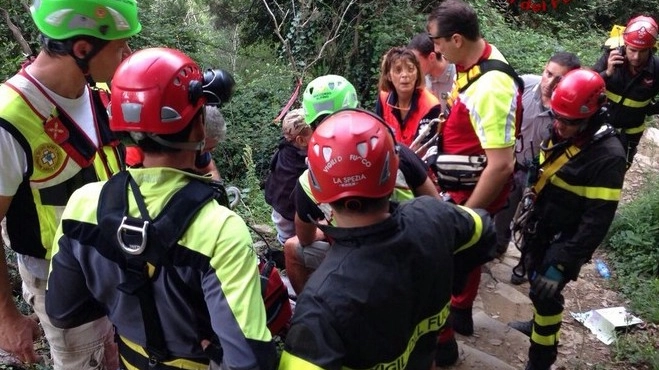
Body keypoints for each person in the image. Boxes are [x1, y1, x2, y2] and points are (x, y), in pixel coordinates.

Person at [46, 47, 277, 370]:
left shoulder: (83, 204)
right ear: (199, 128)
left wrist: (128, 308)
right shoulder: (221, 230)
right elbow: (248, 361)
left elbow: (63, 310)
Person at [278, 108, 496, 370]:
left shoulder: (319, 305)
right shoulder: (434, 216)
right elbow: (484, 229)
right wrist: (447, 268)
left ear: (317, 187)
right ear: (394, 169)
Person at [0, 0, 140, 367]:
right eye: (121, 47)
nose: (128, 56)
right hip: (61, 283)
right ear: (82, 49)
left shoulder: (98, 93)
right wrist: (7, 317)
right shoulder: (10, 118)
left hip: (118, 266)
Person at [507, 68, 626, 370]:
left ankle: (541, 357)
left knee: (545, 295)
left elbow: (597, 222)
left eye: (567, 122)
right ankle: (537, 326)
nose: (557, 125)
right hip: (543, 225)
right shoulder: (564, 128)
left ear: (590, 116)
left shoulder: (608, 156)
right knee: (536, 284)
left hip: (565, 240)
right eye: (556, 117)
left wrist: (563, 263)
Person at [426, 0, 522, 365]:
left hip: (471, 192)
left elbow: (500, 165)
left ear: (455, 39)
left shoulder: (491, 87)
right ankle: (462, 310)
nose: (433, 48)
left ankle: (452, 324)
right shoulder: (477, 62)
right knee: (461, 262)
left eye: (436, 41)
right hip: (460, 177)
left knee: (454, 259)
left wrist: (465, 218)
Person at [493, 52, 581, 274]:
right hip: (515, 162)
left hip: (546, 174)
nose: (550, 83)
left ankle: (526, 263)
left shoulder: (570, 111)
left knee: (534, 221)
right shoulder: (524, 86)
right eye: (548, 74)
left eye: (559, 79)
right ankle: (497, 246)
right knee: (504, 207)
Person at [265, 74, 357, 247]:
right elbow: (303, 219)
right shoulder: (298, 165)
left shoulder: (286, 153)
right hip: (290, 226)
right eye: (315, 127)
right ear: (300, 141)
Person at [593, 15, 659, 168]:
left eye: (642, 51)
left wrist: (650, 109)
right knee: (590, 167)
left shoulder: (656, 68)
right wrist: (607, 73)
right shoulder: (611, 57)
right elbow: (588, 85)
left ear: (651, 49)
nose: (636, 57)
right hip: (600, 125)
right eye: (632, 50)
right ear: (625, 45)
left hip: (630, 133)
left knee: (618, 170)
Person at [374, 46, 442, 153]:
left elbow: (421, 150)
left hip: (418, 165)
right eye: (398, 70)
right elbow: (376, 135)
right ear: (389, 75)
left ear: (417, 74)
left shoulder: (431, 105)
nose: (405, 75)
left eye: (410, 69)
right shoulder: (383, 98)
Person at [408, 32, 457, 112]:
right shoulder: (419, 80)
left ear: (431, 57)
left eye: (416, 62)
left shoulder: (457, 77)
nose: (413, 66)